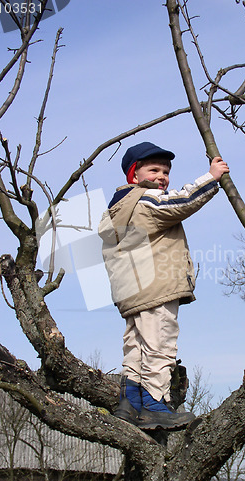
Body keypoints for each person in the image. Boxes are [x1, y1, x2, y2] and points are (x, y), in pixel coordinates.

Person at [98, 141, 229, 430]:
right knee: (160, 345)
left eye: (166, 171)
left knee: (136, 347)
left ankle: (129, 403)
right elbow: (181, 202)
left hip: (132, 294)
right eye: (154, 169)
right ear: (133, 176)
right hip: (156, 289)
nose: (163, 177)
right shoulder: (144, 202)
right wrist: (211, 177)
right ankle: (155, 404)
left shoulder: (117, 210)